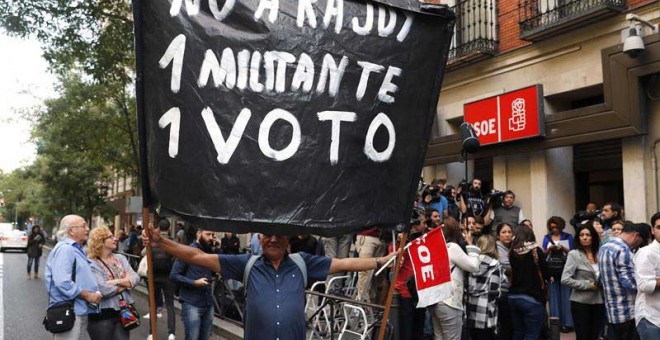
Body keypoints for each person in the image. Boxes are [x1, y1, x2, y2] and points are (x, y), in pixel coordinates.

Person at [142, 224, 398, 340]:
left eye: (279, 235)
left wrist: (381, 261)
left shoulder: (303, 262)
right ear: (259, 238)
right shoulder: (246, 264)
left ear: (288, 240)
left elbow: (343, 263)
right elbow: (198, 256)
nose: (273, 239)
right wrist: (161, 242)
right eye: (267, 235)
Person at [44, 215, 102, 340]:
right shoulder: (66, 249)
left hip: (77, 310)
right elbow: (63, 282)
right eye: (84, 226)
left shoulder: (75, 249)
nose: (87, 229)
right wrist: (88, 295)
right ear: (71, 231)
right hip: (70, 311)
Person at [430, 217, 480, 340]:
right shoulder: (452, 247)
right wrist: (471, 245)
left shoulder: (435, 247)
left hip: (435, 300)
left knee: (439, 337)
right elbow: (474, 266)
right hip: (450, 301)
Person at [87, 227, 140, 340]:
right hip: (101, 315)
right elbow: (103, 289)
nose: (115, 239)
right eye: (110, 237)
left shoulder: (120, 258)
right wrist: (126, 283)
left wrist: (116, 282)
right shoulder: (91, 263)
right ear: (100, 241)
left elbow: (135, 278)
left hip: (123, 312)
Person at [598, 221, 649, 340]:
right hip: (627, 311)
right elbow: (628, 281)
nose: (637, 246)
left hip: (612, 311)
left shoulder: (605, 247)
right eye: (639, 243)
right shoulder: (623, 249)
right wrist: (647, 284)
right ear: (636, 235)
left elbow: (601, 279)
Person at [170, 228, 220, 340]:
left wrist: (218, 248)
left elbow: (220, 267)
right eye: (208, 234)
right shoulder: (188, 251)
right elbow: (174, 275)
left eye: (213, 234)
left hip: (207, 302)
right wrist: (194, 282)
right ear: (199, 233)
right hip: (191, 303)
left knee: (205, 337)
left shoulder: (209, 251)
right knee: (192, 337)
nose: (211, 238)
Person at [561, 223, 605, 340]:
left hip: (599, 301)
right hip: (580, 302)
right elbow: (565, 279)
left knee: (595, 335)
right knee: (583, 336)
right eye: (581, 235)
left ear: (593, 237)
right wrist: (587, 285)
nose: (584, 237)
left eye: (588, 235)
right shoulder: (574, 254)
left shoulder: (601, 253)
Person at [508, 226, 549, 340]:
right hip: (532, 296)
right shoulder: (535, 250)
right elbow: (545, 271)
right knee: (531, 334)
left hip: (513, 296)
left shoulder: (512, 252)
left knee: (518, 332)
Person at [143, 219, 177, 340]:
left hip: (154, 277)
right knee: (170, 305)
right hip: (168, 277)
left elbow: (143, 253)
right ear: (169, 229)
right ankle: (171, 333)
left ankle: (152, 333)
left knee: (153, 304)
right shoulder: (172, 242)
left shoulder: (153, 242)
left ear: (158, 228)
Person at [395, 219, 428, 340]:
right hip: (406, 293)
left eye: (417, 226)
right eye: (412, 227)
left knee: (418, 331)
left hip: (422, 292)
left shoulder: (422, 242)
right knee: (407, 332)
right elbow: (396, 266)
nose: (415, 229)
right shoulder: (397, 246)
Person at [466, 235, 503, 340]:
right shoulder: (495, 264)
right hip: (486, 312)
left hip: (471, 309)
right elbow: (494, 290)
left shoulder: (471, 262)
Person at [542, 215, 574, 333]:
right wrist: (550, 249)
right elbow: (543, 255)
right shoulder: (547, 238)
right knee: (553, 297)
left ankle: (567, 323)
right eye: (552, 227)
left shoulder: (568, 237)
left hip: (565, 269)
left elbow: (574, 253)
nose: (554, 230)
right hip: (551, 271)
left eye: (557, 227)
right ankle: (556, 323)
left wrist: (563, 249)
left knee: (566, 296)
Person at [633, 213, 660, 339]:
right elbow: (644, 285)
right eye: (659, 227)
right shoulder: (646, 253)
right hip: (651, 318)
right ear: (653, 230)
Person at [354, 226, 386, 302]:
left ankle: (369, 301)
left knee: (376, 273)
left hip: (381, 237)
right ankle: (362, 302)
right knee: (365, 271)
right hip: (367, 235)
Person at [495, 222, 513, 340]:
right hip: (501, 291)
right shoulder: (497, 248)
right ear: (498, 235)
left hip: (512, 290)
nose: (507, 235)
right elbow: (507, 266)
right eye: (504, 232)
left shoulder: (512, 247)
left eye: (509, 232)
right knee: (504, 325)